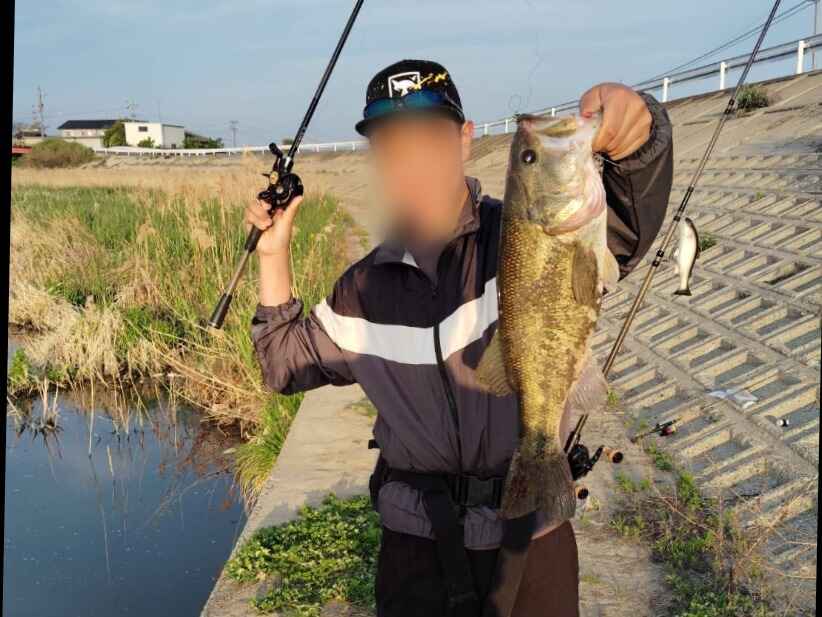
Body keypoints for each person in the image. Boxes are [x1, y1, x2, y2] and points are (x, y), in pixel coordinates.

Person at [246, 59, 673, 617]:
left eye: (429, 142)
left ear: (465, 140)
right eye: (392, 149)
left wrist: (637, 136)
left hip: (530, 532)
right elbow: (282, 363)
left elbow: (626, 225)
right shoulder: (362, 290)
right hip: (415, 544)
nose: (412, 167)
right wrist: (273, 253)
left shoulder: (523, 234)